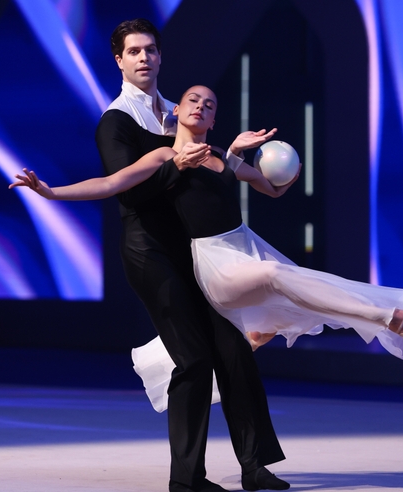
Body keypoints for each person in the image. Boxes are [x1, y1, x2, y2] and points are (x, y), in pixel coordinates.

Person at [11, 85, 403, 383]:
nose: (201, 106)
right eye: (193, 100)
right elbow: (110, 184)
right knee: (281, 280)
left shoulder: (222, 155)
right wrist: (49, 192)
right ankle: (384, 317)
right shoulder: (165, 153)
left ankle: (249, 341)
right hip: (215, 263)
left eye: (210, 104)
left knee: (292, 294)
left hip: (247, 245)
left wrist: (284, 165)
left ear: (214, 117)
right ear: (176, 110)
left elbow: (273, 190)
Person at [76, 19, 287, 492]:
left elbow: (208, 175)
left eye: (150, 50)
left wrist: (233, 153)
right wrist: (176, 171)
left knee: (234, 351)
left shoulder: (177, 111)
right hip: (149, 251)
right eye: (134, 52)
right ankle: (187, 480)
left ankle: (255, 466)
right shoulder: (116, 120)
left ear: (160, 56)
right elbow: (126, 193)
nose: (144, 58)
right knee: (193, 360)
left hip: (193, 251)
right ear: (119, 61)